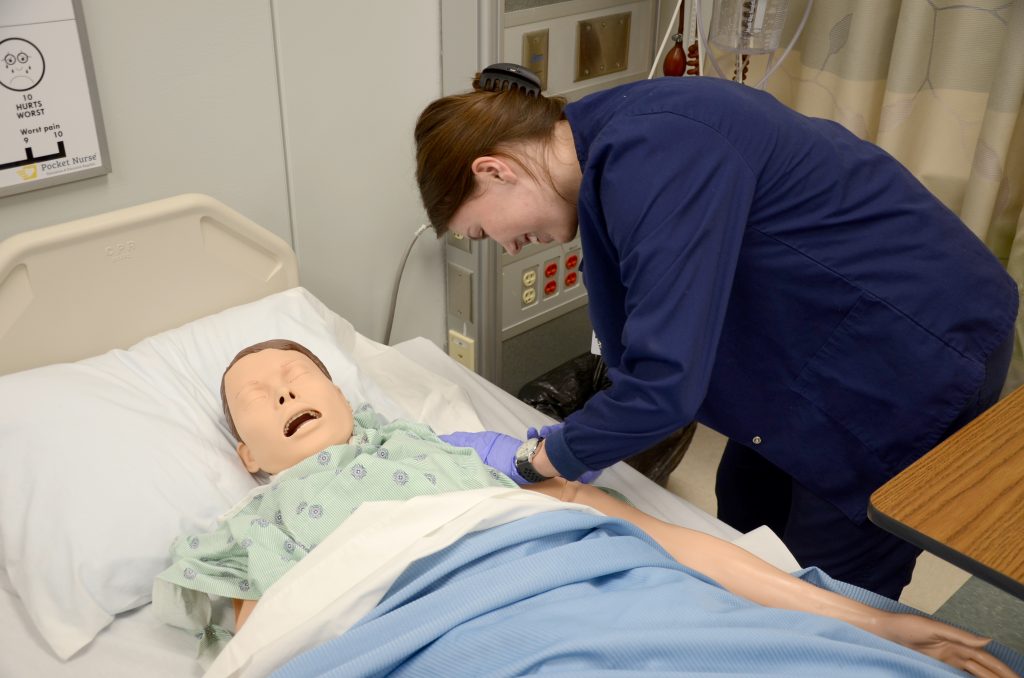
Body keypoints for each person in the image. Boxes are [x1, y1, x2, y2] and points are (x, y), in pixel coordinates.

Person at [413, 64, 1019, 599]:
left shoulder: (659, 147)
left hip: (912, 346)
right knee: (744, 518)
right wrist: (594, 433)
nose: (507, 246)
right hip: (818, 333)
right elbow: (641, 337)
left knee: (832, 587)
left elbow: (664, 386)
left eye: (483, 231)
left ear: (493, 170)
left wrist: (541, 457)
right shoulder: (609, 151)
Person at [150, 339, 1017, 676]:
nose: (282, 388)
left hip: (589, 582)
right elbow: (272, 647)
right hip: (436, 636)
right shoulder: (243, 533)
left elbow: (639, 531)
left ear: (347, 398)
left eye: (299, 374)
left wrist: (861, 622)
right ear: (247, 457)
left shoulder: (455, 453)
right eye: (258, 396)